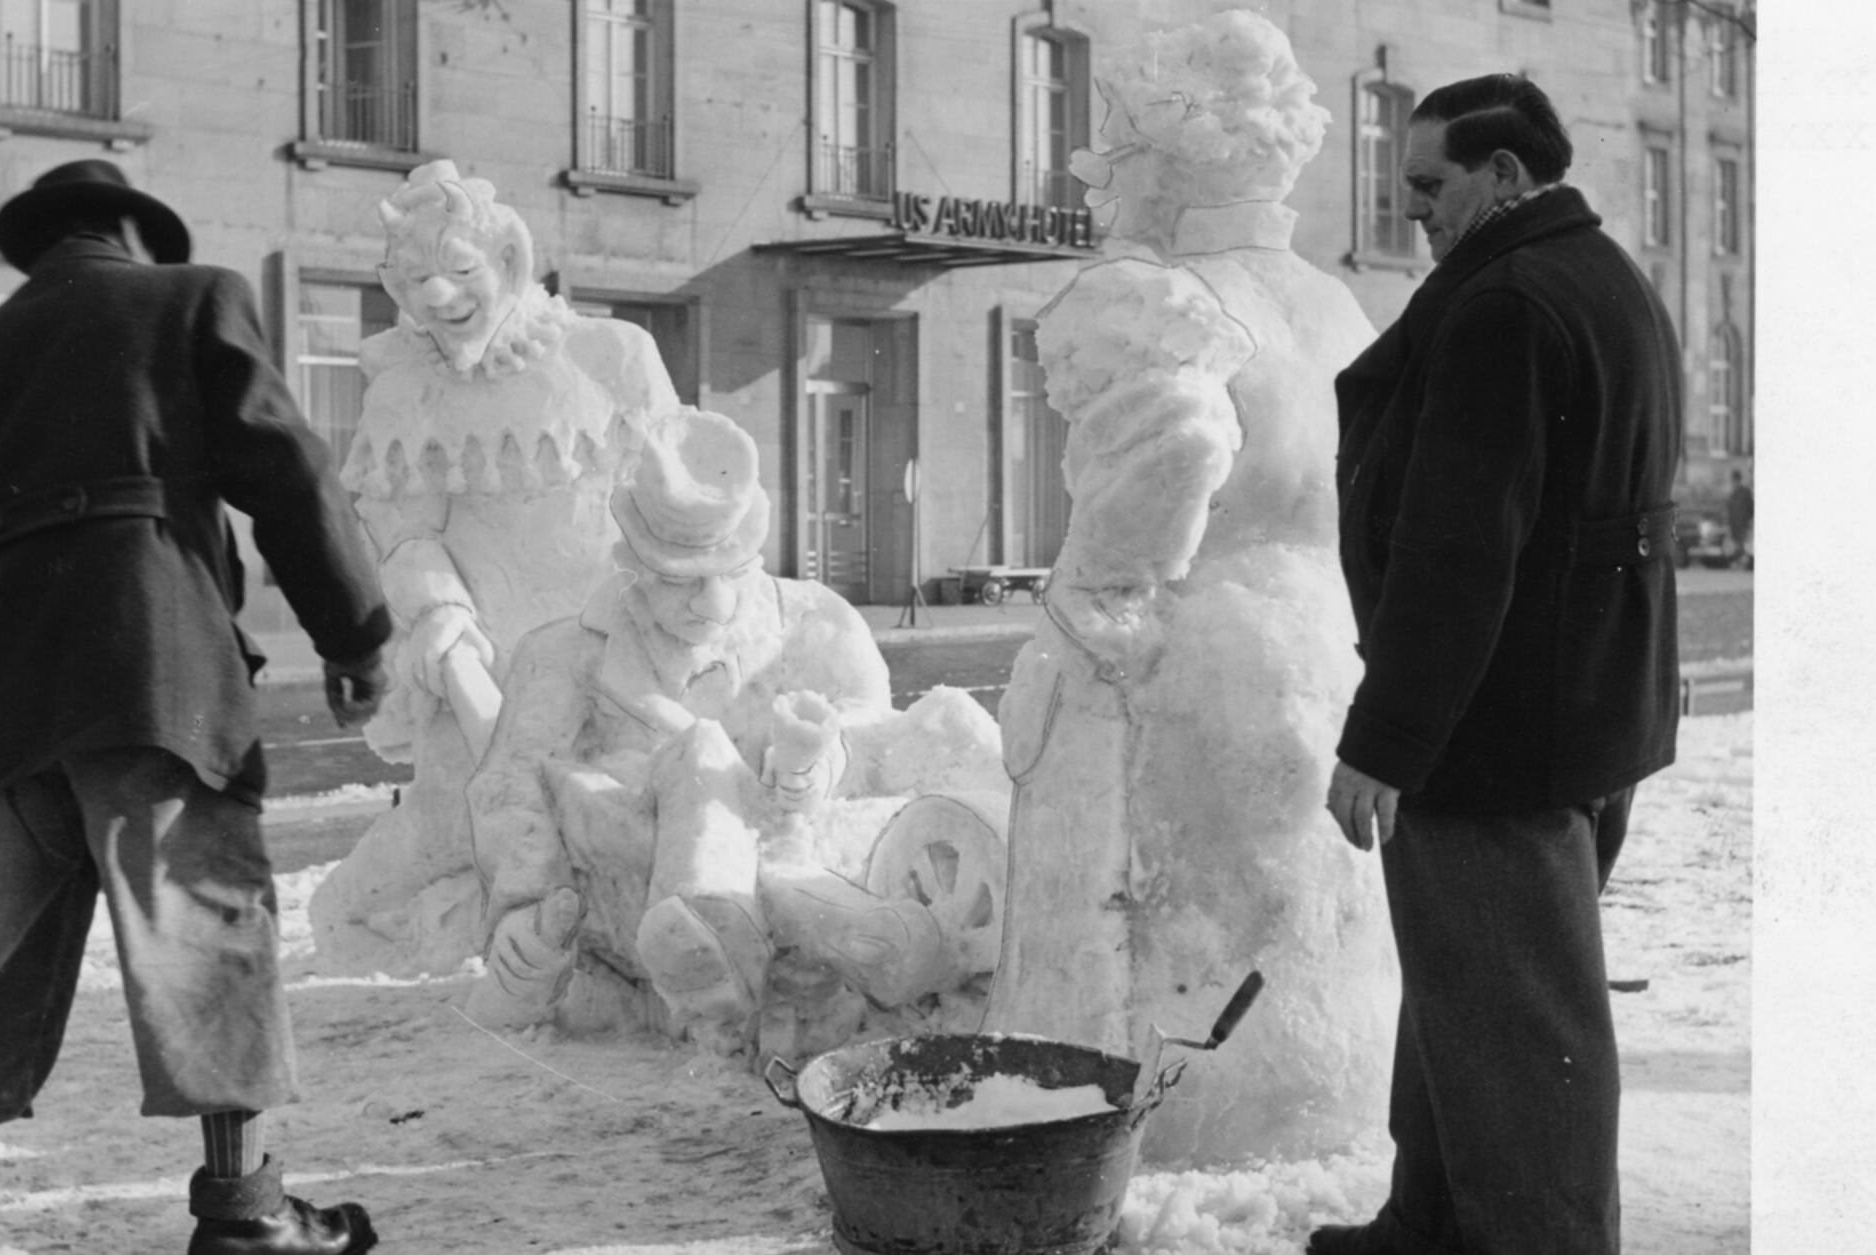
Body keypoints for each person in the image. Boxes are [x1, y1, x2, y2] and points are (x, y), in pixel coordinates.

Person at [0, 160, 393, 1255]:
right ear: (126, 234)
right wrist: (356, 633)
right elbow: (288, 470)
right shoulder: (188, 300)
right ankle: (245, 1214)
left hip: (4, 706)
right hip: (157, 679)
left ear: (36, 249)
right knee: (204, 939)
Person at [979, 10, 1394, 1165]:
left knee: (1155, 946)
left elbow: (1160, 474)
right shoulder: (1336, 305)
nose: (1105, 174)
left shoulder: (1159, 301)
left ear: (1172, 149)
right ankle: (1307, 1119)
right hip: (1321, 645)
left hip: (1183, 662)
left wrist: (1076, 622)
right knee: (1295, 935)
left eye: (1118, 145)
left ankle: (1140, 1147)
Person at [1323, 75, 1682, 1255]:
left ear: (1504, 177)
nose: (1410, 206)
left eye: (1429, 183)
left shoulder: (1505, 304)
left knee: (1521, 1037)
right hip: (1579, 711)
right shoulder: (1601, 273)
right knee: (1465, 987)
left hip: (1497, 735)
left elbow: (1457, 552)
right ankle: (1425, 1223)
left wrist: (1382, 742)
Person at [463, 408, 973, 1052]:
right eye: (682, 580)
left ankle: (838, 946)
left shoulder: (816, 621)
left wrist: (821, 757)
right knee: (694, 758)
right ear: (635, 565)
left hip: (800, 851)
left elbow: (880, 725)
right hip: (632, 899)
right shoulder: (568, 653)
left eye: (734, 573)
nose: (715, 604)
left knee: (939, 743)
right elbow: (510, 782)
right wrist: (523, 902)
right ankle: (739, 949)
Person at [308, 161, 676, 981]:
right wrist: (462, 671)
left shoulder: (613, 355)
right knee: (344, 913)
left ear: (508, 256)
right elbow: (406, 539)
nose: (437, 296)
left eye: (458, 269)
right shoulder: (404, 393)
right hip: (479, 689)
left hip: (617, 679)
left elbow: (673, 510)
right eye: (413, 280)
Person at [1725, 468, 1753, 563]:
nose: (1733, 482)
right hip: (1734, 524)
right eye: (1733, 480)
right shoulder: (1733, 493)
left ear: (1737, 480)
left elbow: (1751, 508)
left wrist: (1749, 520)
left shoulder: (1745, 492)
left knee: (1741, 542)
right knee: (1737, 542)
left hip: (1742, 523)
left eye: (1733, 480)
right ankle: (1740, 560)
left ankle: (1742, 560)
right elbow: (1729, 509)